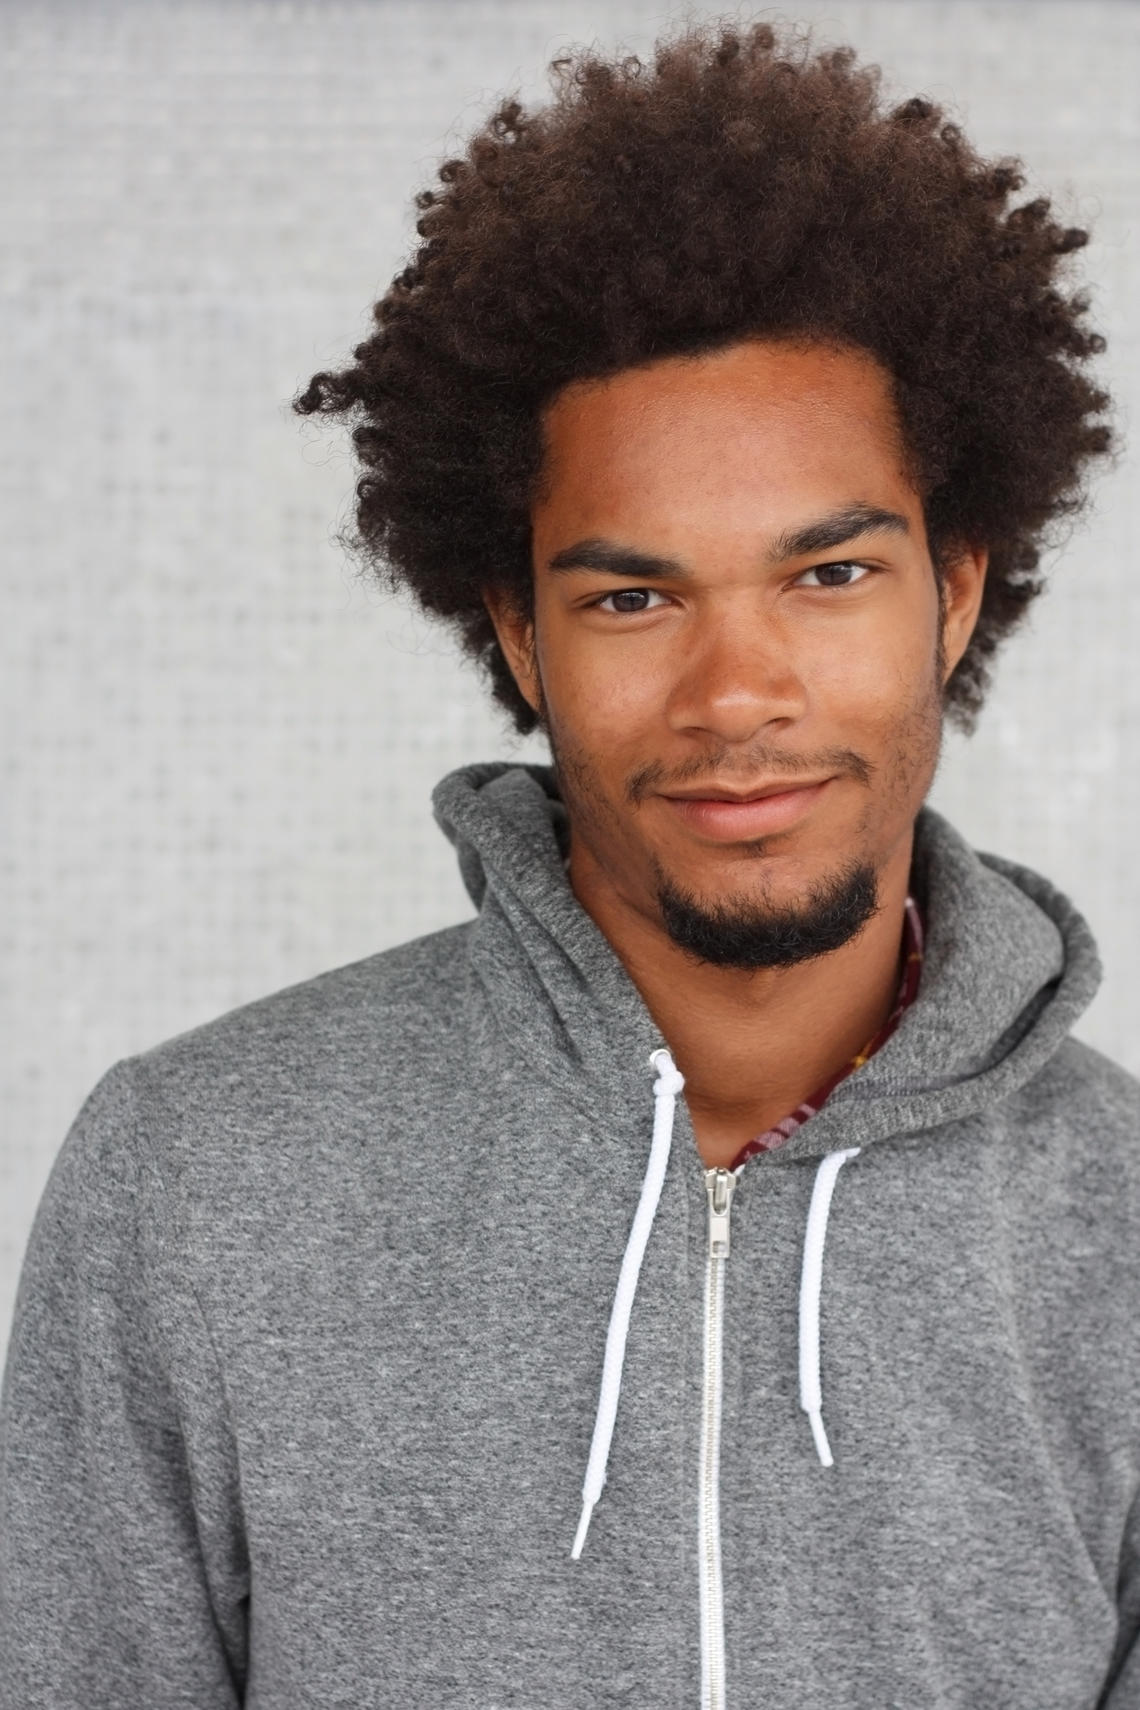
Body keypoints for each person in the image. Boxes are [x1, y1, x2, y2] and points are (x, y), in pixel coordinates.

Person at [1, 20, 1137, 1709]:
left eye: (826, 577)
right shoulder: (194, 1178)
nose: (736, 692)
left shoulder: (1122, 1232)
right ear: (517, 634)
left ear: (956, 591)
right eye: (631, 597)